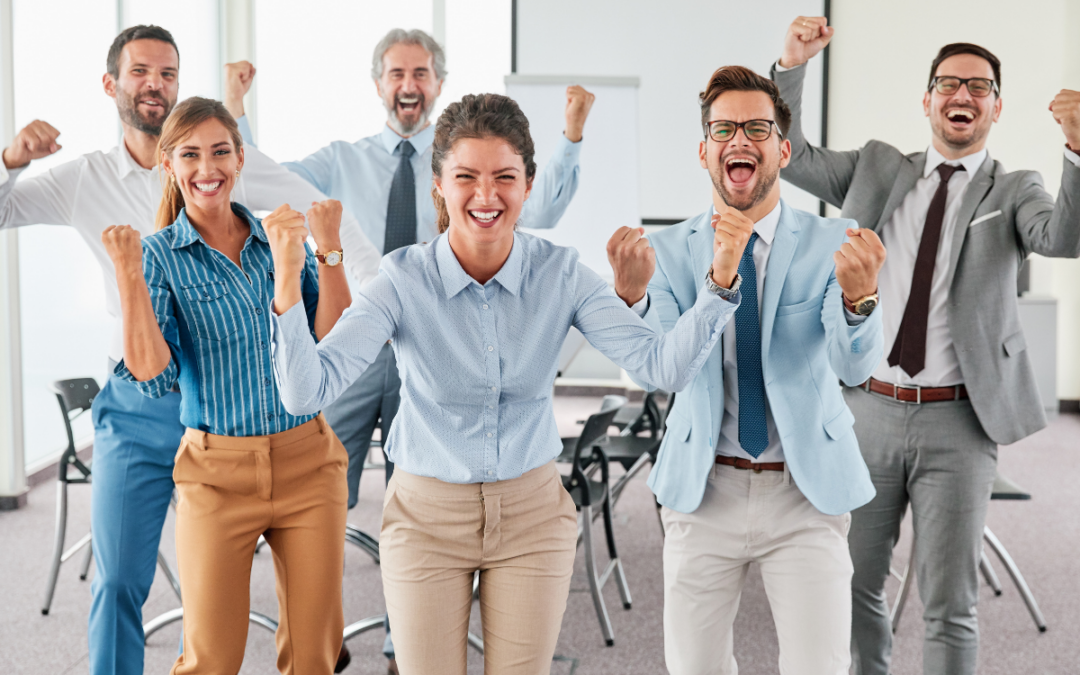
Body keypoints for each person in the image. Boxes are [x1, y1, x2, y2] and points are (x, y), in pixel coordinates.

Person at [269, 92, 740, 675]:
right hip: (425, 518)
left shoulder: (563, 273)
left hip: (532, 515)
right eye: (466, 176)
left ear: (528, 183)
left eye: (504, 177)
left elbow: (661, 369)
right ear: (438, 184)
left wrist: (718, 285)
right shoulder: (400, 280)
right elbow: (304, 392)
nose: (486, 196)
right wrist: (288, 284)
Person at [0, 25, 378, 675]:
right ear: (111, 84)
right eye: (141, 71)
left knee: (307, 624)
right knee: (120, 578)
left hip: (252, 403)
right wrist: (11, 161)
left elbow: (329, 221)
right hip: (150, 402)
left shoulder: (231, 168)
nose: (155, 84)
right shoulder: (87, 180)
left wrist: (375, 308)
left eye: (168, 73)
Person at [224, 29, 593, 669]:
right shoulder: (343, 157)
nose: (408, 84)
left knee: (425, 486)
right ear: (379, 84)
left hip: (437, 351)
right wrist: (236, 108)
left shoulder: (467, 158)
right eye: (397, 73)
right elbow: (259, 176)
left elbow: (543, 205)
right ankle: (318, 639)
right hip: (361, 338)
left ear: (437, 84)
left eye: (421, 73)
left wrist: (571, 137)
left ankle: (408, 635)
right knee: (319, 491)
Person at [772, 16, 1080, 675]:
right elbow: (789, 152)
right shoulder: (879, 167)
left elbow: (1064, 237)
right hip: (868, 412)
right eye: (948, 82)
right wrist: (792, 63)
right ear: (928, 99)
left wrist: (1077, 152)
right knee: (852, 583)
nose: (961, 94)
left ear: (996, 105)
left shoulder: (1016, 187)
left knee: (949, 603)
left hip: (960, 423)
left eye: (979, 85)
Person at [613, 65, 886, 675]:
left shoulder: (834, 240)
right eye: (724, 128)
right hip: (703, 489)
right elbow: (662, 373)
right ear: (705, 150)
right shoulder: (664, 251)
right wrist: (657, 295)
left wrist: (859, 301)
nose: (740, 139)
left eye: (757, 128)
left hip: (804, 489)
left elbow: (853, 365)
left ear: (782, 150)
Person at [101, 96, 351, 674]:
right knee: (210, 661)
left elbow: (332, 347)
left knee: (316, 656)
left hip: (308, 461)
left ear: (240, 159)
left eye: (220, 152)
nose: (207, 168)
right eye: (190, 154)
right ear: (170, 166)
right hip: (216, 474)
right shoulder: (159, 257)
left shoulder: (275, 238)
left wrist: (326, 249)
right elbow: (154, 377)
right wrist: (129, 275)